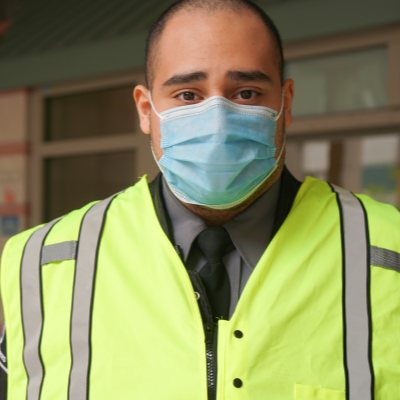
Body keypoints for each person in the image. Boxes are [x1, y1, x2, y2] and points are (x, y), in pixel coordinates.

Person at [1, 0, 399, 399]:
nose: (218, 120)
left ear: (286, 102)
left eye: (246, 93)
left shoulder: (387, 249)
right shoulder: (42, 262)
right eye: (188, 94)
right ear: (145, 109)